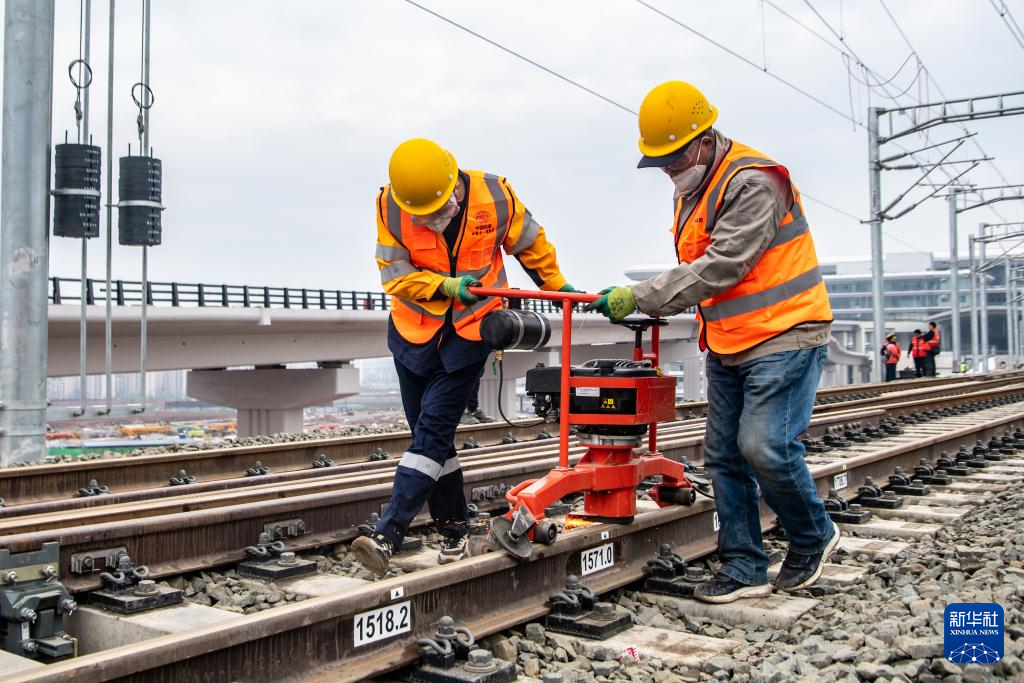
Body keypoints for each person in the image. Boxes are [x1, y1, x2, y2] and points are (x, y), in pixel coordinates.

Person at [586, 81, 838, 603]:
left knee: (763, 446)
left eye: (674, 158)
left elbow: (723, 265)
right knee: (723, 455)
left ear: (703, 140)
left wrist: (640, 297)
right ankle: (744, 565)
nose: (669, 169)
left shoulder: (753, 182)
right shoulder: (694, 189)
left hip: (786, 333)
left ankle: (814, 535)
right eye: (661, 162)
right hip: (729, 342)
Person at [353, 138, 576, 575]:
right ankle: (454, 526)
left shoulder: (494, 195)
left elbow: (530, 244)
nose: (434, 220)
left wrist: (558, 285)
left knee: (432, 432)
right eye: (425, 216)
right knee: (431, 440)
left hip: (472, 332)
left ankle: (388, 533)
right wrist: (444, 286)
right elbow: (396, 277)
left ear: (454, 183)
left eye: (439, 209)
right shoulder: (391, 206)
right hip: (413, 333)